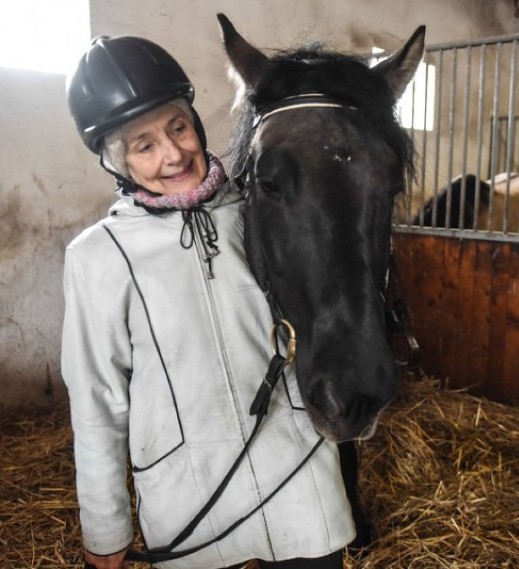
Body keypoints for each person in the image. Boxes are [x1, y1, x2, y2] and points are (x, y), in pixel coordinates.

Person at [62, 35, 355, 569]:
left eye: (178, 127)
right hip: (192, 501)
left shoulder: (263, 209)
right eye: (144, 145)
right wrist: (105, 528)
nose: (173, 154)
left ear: (195, 122)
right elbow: (98, 404)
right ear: (115, 160)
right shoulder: (97, 258)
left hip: (300, 480)